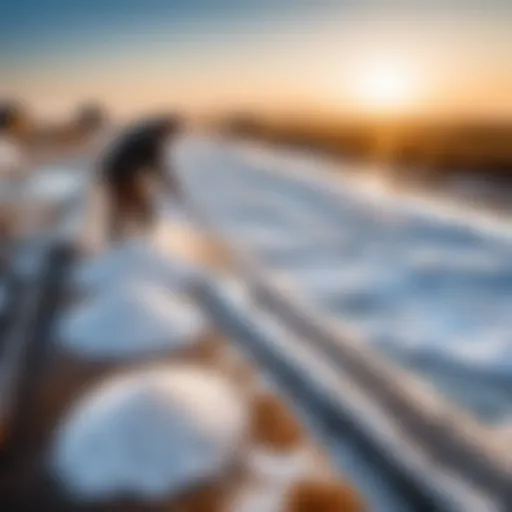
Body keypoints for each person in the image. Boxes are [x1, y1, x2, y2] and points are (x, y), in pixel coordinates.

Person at [98, 115, 183, 241]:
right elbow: (158, 168)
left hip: (115, 171)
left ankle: (120, 235)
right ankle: (142, 234)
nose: (171, 137)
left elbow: (150, 166)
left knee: (127, 204)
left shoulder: (144, 135)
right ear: (166, 129)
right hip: (120, 173)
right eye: (172, 132)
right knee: (139, 205)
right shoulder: (151, 140)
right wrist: (172, 187)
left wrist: (168, 185)